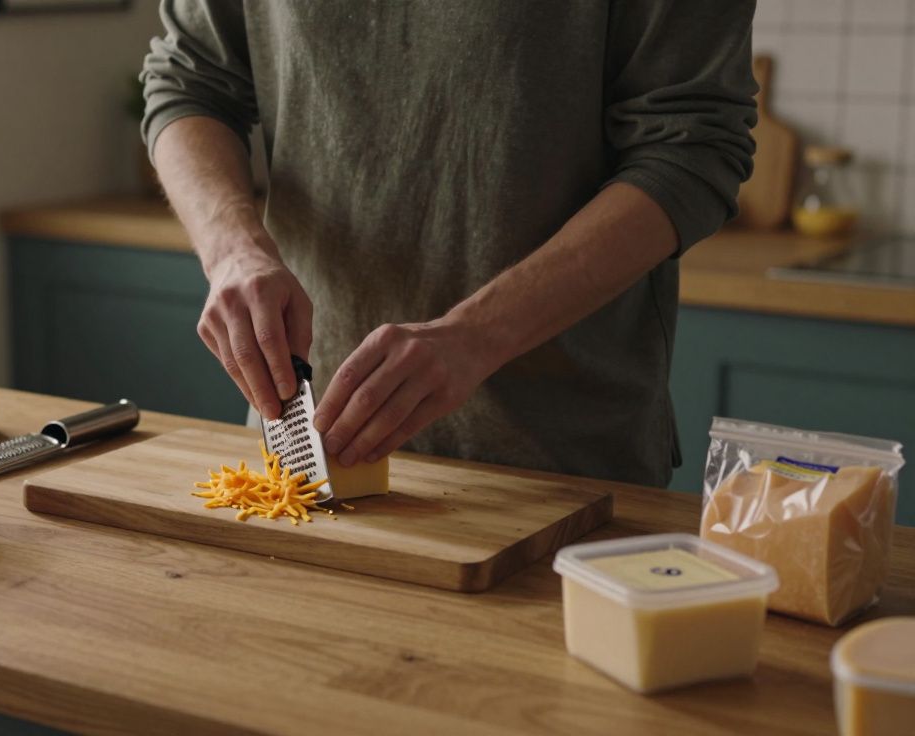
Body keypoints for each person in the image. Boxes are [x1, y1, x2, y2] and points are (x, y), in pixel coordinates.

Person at [140, 2, 756, 487]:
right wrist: (233, 252)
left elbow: (690, 149)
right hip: (304, 452)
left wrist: (478, 334)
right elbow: (190, 81)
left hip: (560, 466)